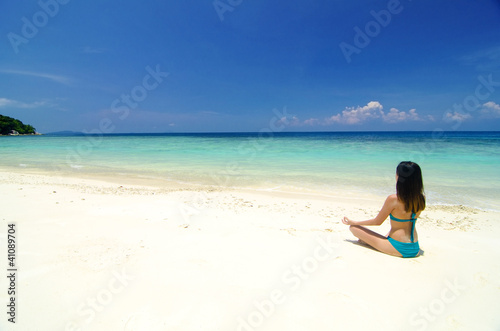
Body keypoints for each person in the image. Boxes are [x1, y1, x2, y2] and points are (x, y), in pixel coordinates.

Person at [341, 161, 425, 258]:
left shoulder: (394, 199)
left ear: (399, 177)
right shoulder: (421, 198)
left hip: (398, 247)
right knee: (391, 232)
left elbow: (377, 222)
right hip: (415, 247)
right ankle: (375, 242)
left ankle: (371, 242)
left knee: (353, 228)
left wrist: (354, 222)